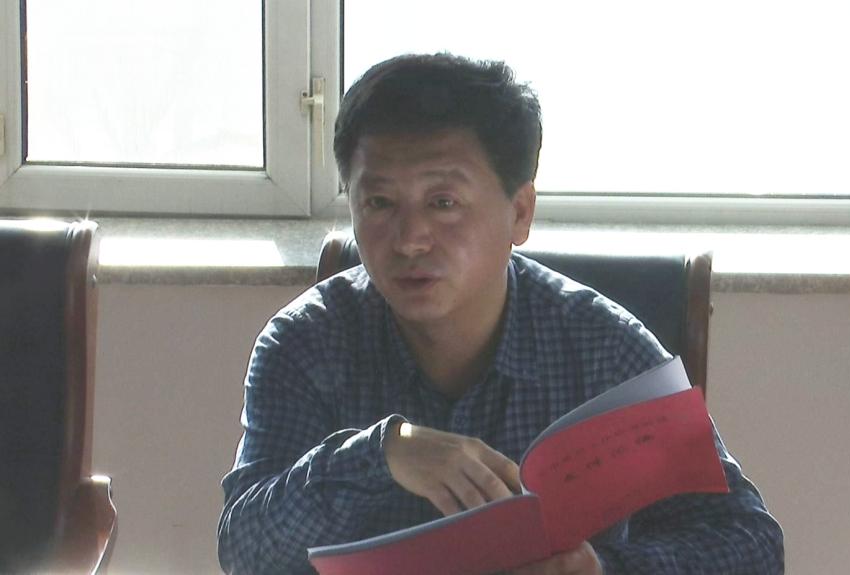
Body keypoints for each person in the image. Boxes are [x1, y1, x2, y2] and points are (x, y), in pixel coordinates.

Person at [218, 53, 783, 574]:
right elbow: (243, 551)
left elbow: (751, 544)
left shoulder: (604, 347)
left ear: (520, 213)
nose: (410, 239)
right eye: (379, 202)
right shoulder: (306, 342)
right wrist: (380, 455)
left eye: (443, 203)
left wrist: (603, 569)